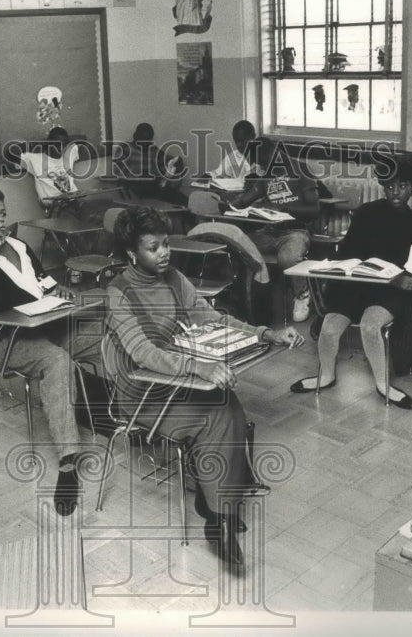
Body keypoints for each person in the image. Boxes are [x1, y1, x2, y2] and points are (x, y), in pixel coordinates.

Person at [105, 207, 303, 568]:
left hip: (179, 379)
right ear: (132, 254)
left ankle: (217, 513)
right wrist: (200, 366)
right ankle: (218, 516)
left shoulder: (174, 278)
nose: (164, 253)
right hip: (142, 392)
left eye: (166, 244)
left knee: (227, 405)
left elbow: (213, 320)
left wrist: (265, 333)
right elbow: (143, 352)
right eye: (153, 248)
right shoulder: (119, 293)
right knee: (220, 413)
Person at [0, 188, 100, 517]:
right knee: (56, 361)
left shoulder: (19, 245)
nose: (1, 218)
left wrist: (56, 288)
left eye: (2, 212)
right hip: (7, 340)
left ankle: (128, 415)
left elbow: (41, 279)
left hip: (48, 324)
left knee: (104, 337)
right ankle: (68, 463)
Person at [289, 158, 412, 408]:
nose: (395, 192)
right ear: (383, 187)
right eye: (390, 186)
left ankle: (383, 385)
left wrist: (401, 279)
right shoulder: (366, 212)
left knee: (370, 326)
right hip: (358, 285)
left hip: (391, 290)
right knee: (330, 326)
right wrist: (332, 267)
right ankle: (326, 376)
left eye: (403, 186)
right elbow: (348, 252)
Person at [228, 137, 325, 322]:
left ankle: (301, 293)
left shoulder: (301, 170)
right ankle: (244, 296)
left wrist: (284, 208)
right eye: (260, 164)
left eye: (263, 162)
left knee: (287, 258)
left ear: (276, 153)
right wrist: (230, 205)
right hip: (269, 231)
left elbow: (314, 210)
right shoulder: (268, 174)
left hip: (295, 231)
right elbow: (246, 199)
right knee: (236, 244)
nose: (263, 167)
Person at [113, 123, 185, 206]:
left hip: (152, 188)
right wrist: (140, 176)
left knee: (184, 202)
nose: (145, 143)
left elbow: (167, 163)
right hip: (133, 188)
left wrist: (176, 162)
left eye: (148, 140)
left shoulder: (153, 150)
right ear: (135, 136)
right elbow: (118, 170)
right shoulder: (125, 147)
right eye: (142, 139)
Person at [18, 126, 80, 211]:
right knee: (89, 217)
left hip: (75, 200)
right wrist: (41, 143)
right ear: (49, 142)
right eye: (57, 144)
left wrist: (65, 142)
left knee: (98, 212)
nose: (61, 148)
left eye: (64, 144)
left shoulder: (69, 154)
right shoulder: (35, 159)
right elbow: (9, 152)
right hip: (56, 206)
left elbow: (82, 139)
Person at [201, 120, 260, 185]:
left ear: (253, 137)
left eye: (242, 140)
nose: (238, 145)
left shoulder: (263, 155)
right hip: (238, 193)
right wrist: (209, 175)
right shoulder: (233, 157)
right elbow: (218, 173)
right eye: (236, 140)